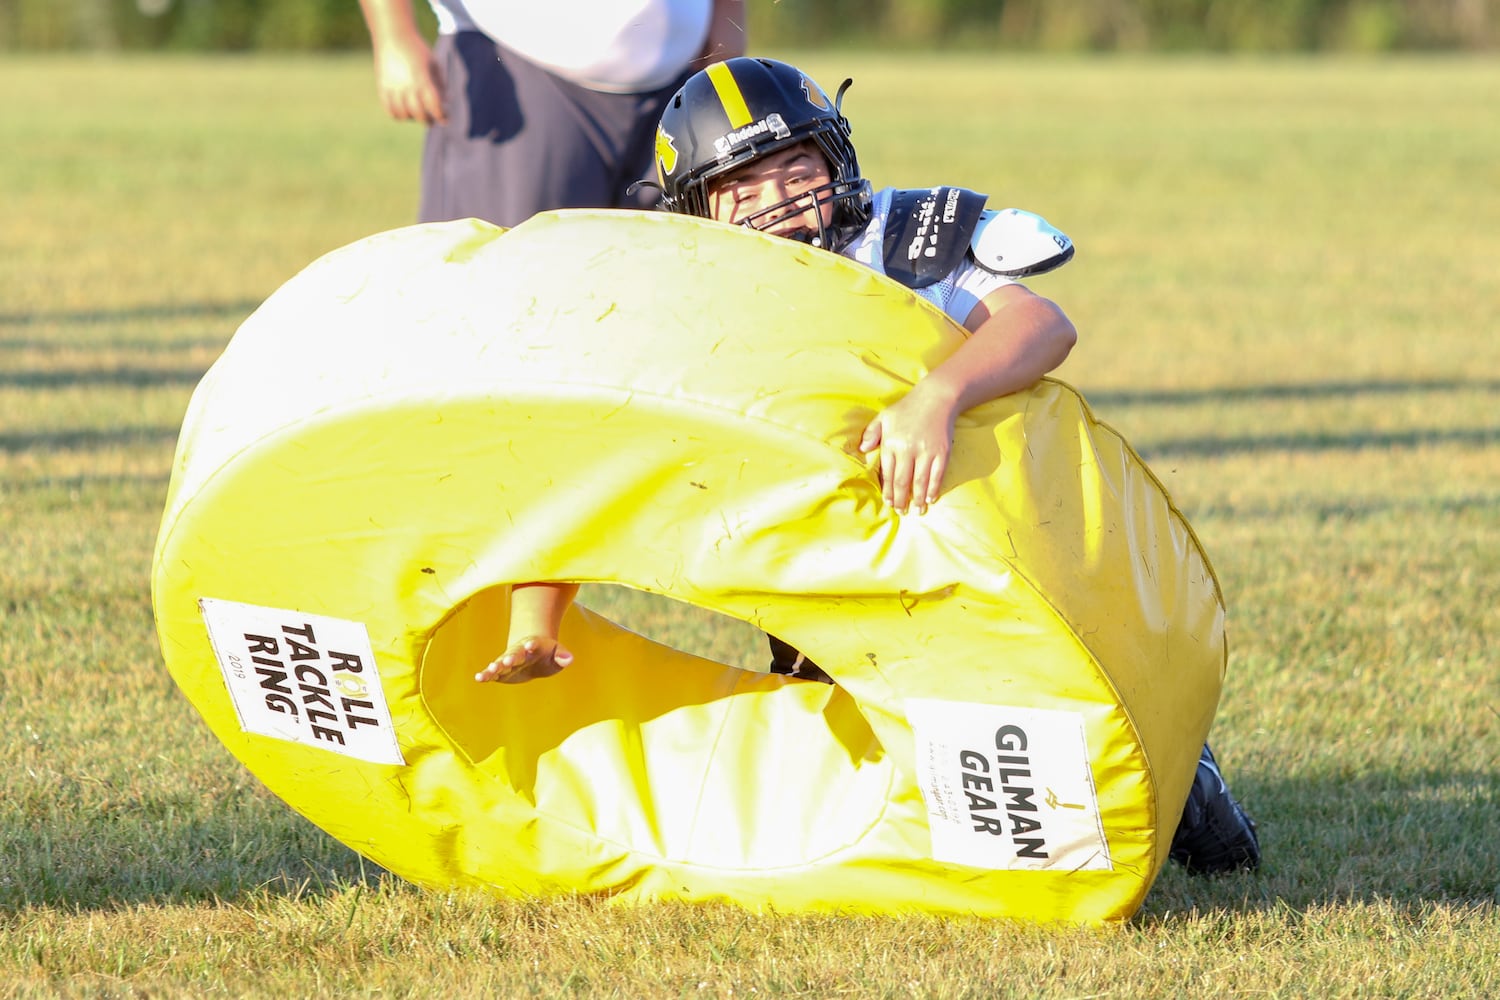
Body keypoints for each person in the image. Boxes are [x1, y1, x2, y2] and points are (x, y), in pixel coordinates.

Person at [478, 57, 1261, 876]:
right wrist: (538, 617)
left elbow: (1040, 324)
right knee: (870, 761)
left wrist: (939, 396)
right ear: (696, 210)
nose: (775, 201)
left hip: (972, 522)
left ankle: (1174, 769)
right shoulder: (683, 297)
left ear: (836, 158)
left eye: (792, 168)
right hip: (811, 565)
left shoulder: (902, 234)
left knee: (1029, 690)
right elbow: (600, 460)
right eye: (740, 188)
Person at [358, 0, 747, 227]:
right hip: (516, 64)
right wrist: (394, 32)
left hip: (675, 76)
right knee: (496, 291)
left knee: (656, 295)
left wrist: (728, 12)